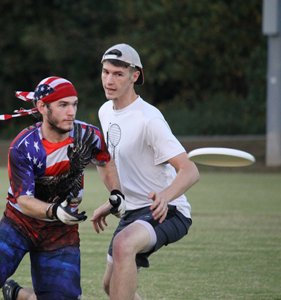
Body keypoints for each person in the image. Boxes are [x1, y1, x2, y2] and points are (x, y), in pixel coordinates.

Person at [0, 76, 126, 300]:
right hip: (19, 223)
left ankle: (19, 295)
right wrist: (55, 210)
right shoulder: (24, 146)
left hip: (61, 232)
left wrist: (115, 193)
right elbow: (24, 201)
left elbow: (104, 161)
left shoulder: (88, 136)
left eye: (74, 104)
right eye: (63, 105)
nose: (72, 112)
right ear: (42, 107)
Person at [90, 43, 200, 300]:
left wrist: (165, 196)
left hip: (169, 211)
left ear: (134, 76)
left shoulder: (149, 119)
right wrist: (114, 199)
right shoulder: (105, 112)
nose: (109, 80)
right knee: (110, 286)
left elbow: (190, 170)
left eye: (118, 74)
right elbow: (120, 164)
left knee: (123, 244)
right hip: (133, 212)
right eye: (106, 72)